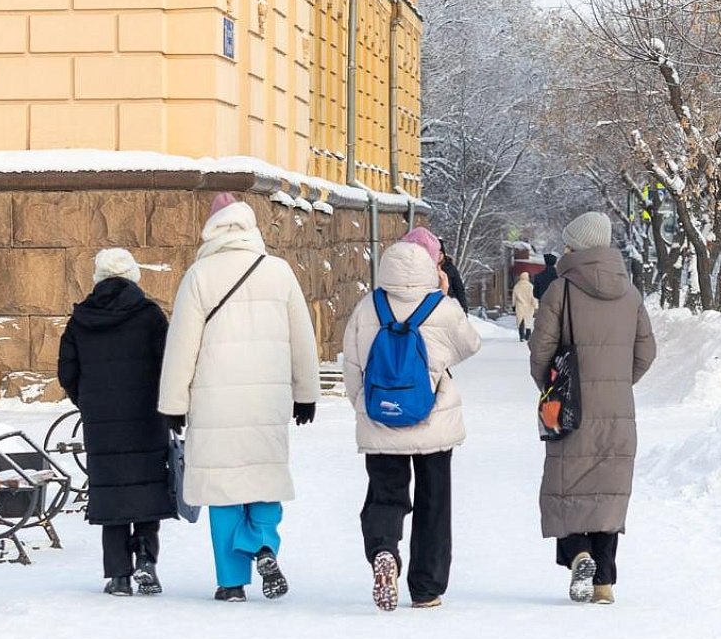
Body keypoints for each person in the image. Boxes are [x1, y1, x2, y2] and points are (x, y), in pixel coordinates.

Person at [158, 193, 320, 603]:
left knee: (223, 489)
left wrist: (173, 404)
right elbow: (302, 337)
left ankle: (231, 583)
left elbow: (181, 346)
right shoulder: (279, 272)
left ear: (211, 229)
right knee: (264, 477)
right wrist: (306, 393)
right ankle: (261, 542)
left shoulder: (199, 275)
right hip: (267, 399)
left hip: (215, 402)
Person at [343, 227, 482, 611]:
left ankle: (384, 550)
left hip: (380, 418)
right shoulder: (440, 307)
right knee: (434, 501)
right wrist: (445, 295)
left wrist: (366, 407)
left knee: (384, 494)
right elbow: (470, 344)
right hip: (433, 420)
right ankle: (426, 588)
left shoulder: (368, 307)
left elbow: (352, 366)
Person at [528, 212, 656, 605]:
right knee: (608, 492)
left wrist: (553, 388)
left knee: (567, 486)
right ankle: (603, 583)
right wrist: (618, 382)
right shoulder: (630, 293)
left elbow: (540, 351)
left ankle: (578, 554)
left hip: (571, 407)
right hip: (617, 410)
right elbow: (646, 352)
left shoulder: (560, 291)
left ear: (576, 247)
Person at [57, 248, 176, 597]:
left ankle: (119, 576)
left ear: (98, 277)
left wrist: (88, 402)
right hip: (146, 417)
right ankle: (146, 560)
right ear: (133, 275)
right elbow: (169, 364)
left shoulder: (81, 319)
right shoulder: (150, 316)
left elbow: (67, 371)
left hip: (102, 423)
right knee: (146, 489)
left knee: (111, 496)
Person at [438, 239, 468, 313]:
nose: (438, 256)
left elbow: (459, 289)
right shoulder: (428, 268)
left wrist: (464, 309)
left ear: (444, 254)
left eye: (440, 253)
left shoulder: (450, 268)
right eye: (436, 253)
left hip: (450, 305)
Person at [512, 271, 538, 342]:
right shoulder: (531, 286)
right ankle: (528, 335)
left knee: (520, 321)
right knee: (528, 321)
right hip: (529, 306)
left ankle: (521, 336)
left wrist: (513, 306)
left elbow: (514, 297)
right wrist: (536, 306)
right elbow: (533, 297)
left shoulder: (517, 286)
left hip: (520, 306)